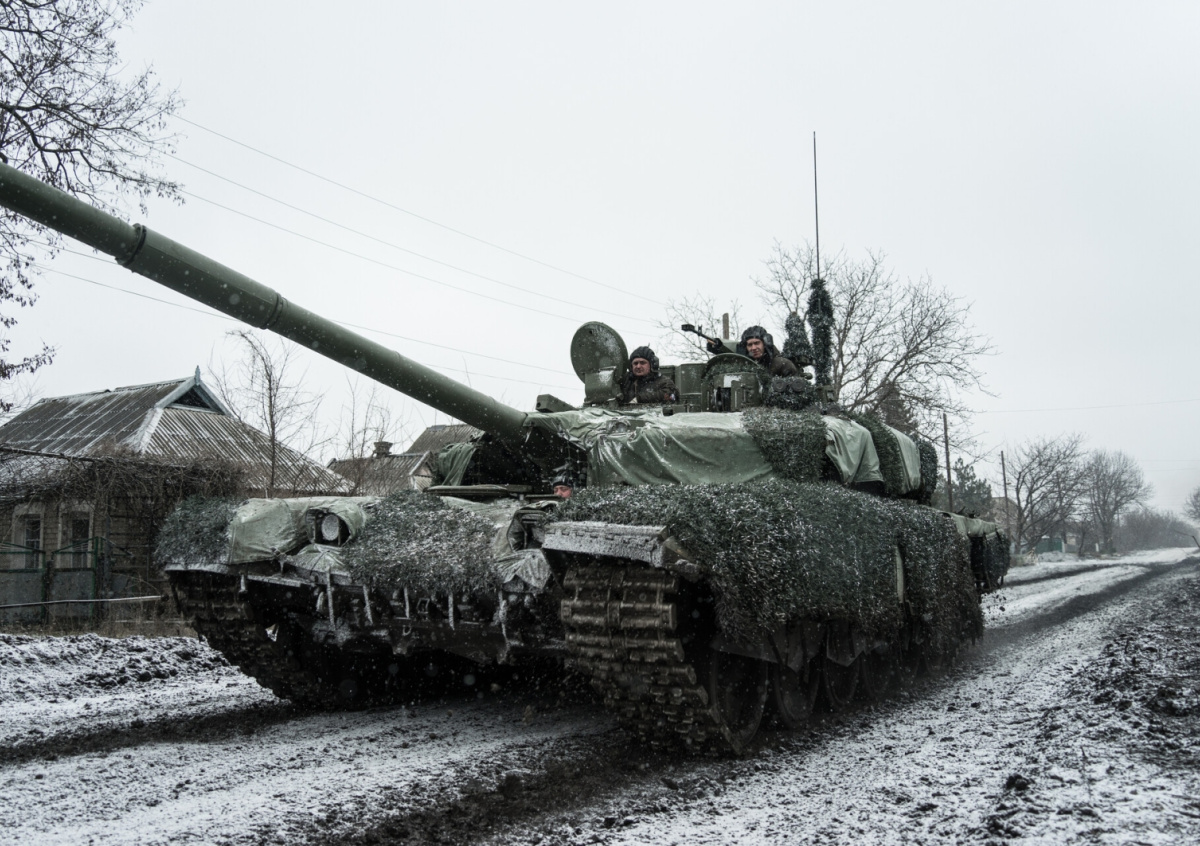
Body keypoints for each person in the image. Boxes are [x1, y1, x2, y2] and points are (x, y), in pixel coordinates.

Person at [708, 326, 798, 377]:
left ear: (765, 343)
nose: (753, 348)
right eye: (750, 345)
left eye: (757, 343)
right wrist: (717, 346)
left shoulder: (782, 364)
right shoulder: (744, 365)